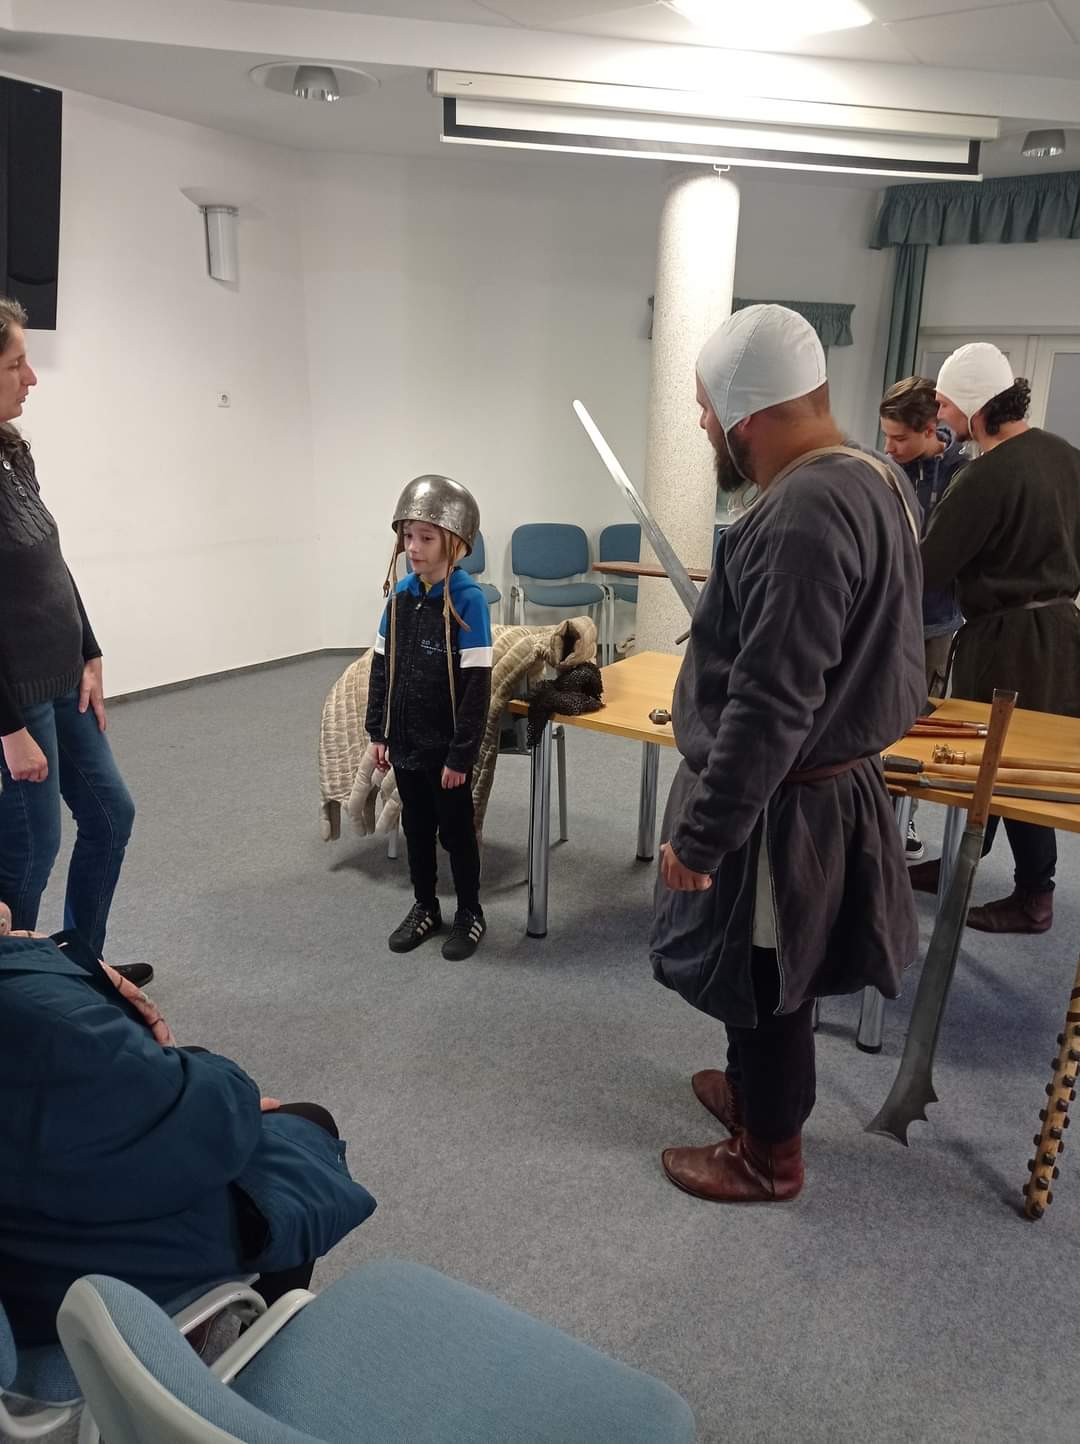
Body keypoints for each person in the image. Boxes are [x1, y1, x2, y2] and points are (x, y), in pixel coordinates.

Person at [651, 305, 925, 1205]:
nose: (702, 424)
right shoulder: (874, 474)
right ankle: (751, 1098)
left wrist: (704, 834)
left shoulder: (805, 513)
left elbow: (772, 704)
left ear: (749, 417)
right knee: (755, 962)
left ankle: (770, 1156)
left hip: (786, 804)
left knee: (770, 973)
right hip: (813, 785)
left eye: (707, 409)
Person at [0, 904, 376, 1346]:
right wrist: (225, 1083)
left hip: (29, 1222)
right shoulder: (41, 1010)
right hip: (63, 1276)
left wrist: (57, 957)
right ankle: (266, 1356)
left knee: (192, 1070)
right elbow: (209, 1122)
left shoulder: (35, 997)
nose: (6, 909)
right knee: (305, 1136)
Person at [912, 343, 1080, 935]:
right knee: (1014, 757)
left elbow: (929, 567)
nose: (939, 411)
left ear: (975, 405)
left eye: (945, 402)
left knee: (1007, 763)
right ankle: (965, 860)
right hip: (1061, 630)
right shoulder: (1067, 456)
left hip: (1008, 641)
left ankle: (1035, 895)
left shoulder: (985, 474)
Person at [0, 297, 136, 963]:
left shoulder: (12, 453)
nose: (31, 378)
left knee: (111, 815)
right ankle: (19, 994)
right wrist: (9, 731)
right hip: (17, 699)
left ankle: (82, 967)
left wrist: (89, 649)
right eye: (16, 364)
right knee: (29, 853)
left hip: (63, 679)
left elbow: (49, 557)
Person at [366, 476, 492, 961]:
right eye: (408, 536)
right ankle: (425, 906)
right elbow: (382, 666)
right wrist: (378, 731)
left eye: (426, 537)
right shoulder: (400, 595)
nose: (413, 547)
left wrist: (461, 755)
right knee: (416, 828)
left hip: (446, 750)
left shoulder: (468, 600)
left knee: (456, 833)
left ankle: (470, 911)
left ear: (454, 543)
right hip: (406, 742)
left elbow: (477, 686)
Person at [879, 375, 967, 863]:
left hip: (933, 625)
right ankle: (872, 816)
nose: (888, 448)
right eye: (886, 436)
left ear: (931, 429)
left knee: (917, 725)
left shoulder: (962, 474)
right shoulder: (887, 469)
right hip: (884, 618)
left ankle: (903, 821)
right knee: (875, 716)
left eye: (899, 438)